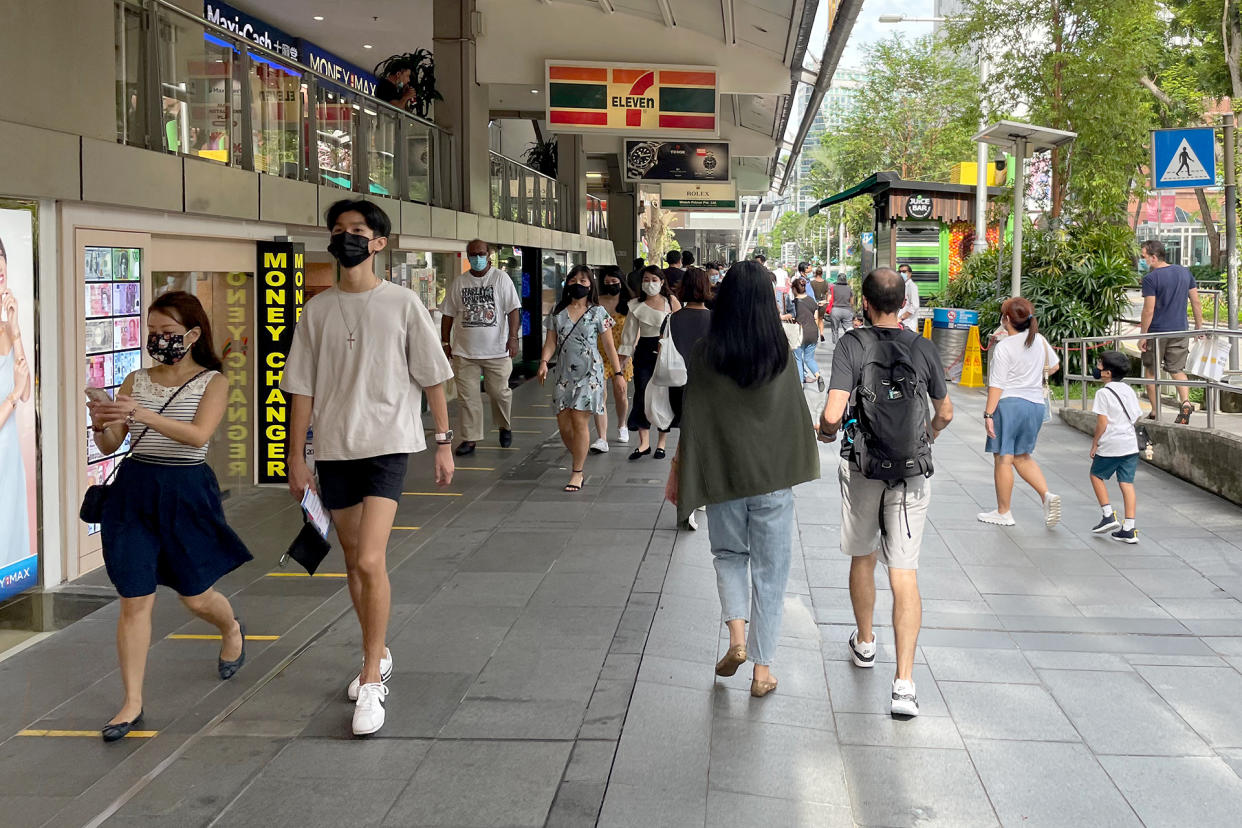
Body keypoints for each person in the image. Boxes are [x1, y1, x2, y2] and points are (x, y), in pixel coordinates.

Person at [283, 199, 455, 736]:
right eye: (338, 230)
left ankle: (371, 683)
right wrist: (296, 457)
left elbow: (432, 378)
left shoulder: (403, 304)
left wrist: (444, 441)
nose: (347, 237)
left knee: (373, 558)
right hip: (335, 449)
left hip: (387, 446)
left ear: (379, 242)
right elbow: (302, 389)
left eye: (357, 230)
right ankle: (376, 653)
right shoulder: (317, 310)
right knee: (354, 563)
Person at [86, 291, 251, 741]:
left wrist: (138, 412)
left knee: (195, 596)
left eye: (169, 333)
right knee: (135, 598)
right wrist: (103, 419)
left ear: (193, 335)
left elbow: (197, 436)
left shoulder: (213, 382)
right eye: (152, 333)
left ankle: (231, 627)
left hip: (185, 491)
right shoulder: (135, 380)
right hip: (134, 492)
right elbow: (109, 446)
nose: (158, 341)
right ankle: (131, 702)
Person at [666, 260, 818, 697]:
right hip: (771, 482)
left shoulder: (705, 355)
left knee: (730, 556)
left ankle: (736, 639)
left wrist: (680, 471)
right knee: (770, 574)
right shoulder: (780, 356)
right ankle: (761, 671)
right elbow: (793, 419)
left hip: (724, 479)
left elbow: (694, 419)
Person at [818, 267, 953, 718]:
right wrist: (928, 435)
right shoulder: (923, 346)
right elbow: (946, 412)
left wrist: (825, 431)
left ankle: (866, 643)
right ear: (904, 304)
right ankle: (905, 685)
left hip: (864, 466)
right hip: (912, 469)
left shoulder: (852, 344)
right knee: (905, 572)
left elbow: (833, 413)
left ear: (865, 302)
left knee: (863, 555)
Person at [978, 297, 1062, 528]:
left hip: (1009, 404)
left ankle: (1003, 512)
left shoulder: (1005, 346)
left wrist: (988, 414)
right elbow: (1054, 366)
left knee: (1003, 458)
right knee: (1022, 456)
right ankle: (1046, 495)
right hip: (1035, 404)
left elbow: (997, 384)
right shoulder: (1040, 340)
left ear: (1006, 320)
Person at [538, 265, 621, 492]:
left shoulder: (598, 312)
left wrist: (618, 373)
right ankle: (578, 454)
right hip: (564, 374)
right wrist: (544, 362)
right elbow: (551, 342)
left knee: (579, 419)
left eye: (584, 281)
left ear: (591, 285)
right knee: (564, 425)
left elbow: (609, 346)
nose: (578, 284)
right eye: (574, 280)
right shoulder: (557, 311)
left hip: (590, 373)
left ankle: (577, 472)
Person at [440, 239, 521, 456]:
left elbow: (514, 310)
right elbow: (448, 314)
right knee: (467, 398)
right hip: (464, 352)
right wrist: (445, 342)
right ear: (468, 256)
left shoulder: (501, 279)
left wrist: (513, 338)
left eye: (481, 253)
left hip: (497, 350)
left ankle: (505, 425)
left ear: (489, 255)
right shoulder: (460, 282)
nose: (477, 258)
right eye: (473, 254)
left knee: (499, 392)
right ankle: (470, 438)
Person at [667, 267, 714, 529]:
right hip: (709, 389)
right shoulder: (717, 320)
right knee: (703, 444)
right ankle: (694, 496)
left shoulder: (672, 320)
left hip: (680, 389)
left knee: (687, 443)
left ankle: (688, 496)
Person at [619, 266, 681, 460]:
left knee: (664, 396)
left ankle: (661, 443)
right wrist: (619, 365)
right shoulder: (635, 305)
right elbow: (628, 338)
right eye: (646, 279)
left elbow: (680, 327)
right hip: (644, 353)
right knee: (642, 395)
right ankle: (644, 443)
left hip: (667, 352)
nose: (650, 283)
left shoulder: (671, 302)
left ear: (662, 282)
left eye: (654, 279)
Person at [1139, 239, 1203, 424]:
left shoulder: (1151, 279)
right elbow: (1196, 302)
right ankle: (1185, 402)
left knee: (1151, 372)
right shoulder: (1184, 272)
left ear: (1154, 256)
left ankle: (1155, 412)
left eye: (1144, 257)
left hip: (1157, 333)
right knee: (1176, 369)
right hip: (1181, 330)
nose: (1143, 260)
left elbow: (1148, 310)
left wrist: (1142, 336)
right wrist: (1198, 327)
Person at [0, 236, 32, 573]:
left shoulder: (5, 327)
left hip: (10, 458)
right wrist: (14, 392)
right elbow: (17, 393)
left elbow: (27, 393)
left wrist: (15, 325)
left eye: (0, 255)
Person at [1088, 350, 1143, 544]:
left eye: (1100, 365)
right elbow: (1137, 415)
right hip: (1130, 445)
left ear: (1108, 373)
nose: (1097, 368)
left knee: (1096, 476)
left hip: (1111, 444)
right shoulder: (1128, 390)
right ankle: (1129, 528)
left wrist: (1095, 443)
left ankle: (1108, 515)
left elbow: (1102, 423)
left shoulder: (1103, 393)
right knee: (1126, 484)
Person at [592, 266, 632, 451]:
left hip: (622, 353)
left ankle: (622, 424)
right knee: (600, 394)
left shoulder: (630, 303)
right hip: (599, 353)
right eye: (607, 283)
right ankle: (602, 437)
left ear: (621, 282)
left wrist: (628, 353)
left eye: (614, 282)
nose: (610, 286)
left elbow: (635, 331)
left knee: (620, 393)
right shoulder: (597, 302)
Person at [781, 277, 824, 391]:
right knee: (809, 359)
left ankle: (800, 385)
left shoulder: (794, 303)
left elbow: (791, 315)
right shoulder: (811, 300)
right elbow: (815, 317)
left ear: (794, 289)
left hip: (799, 333)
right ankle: (818, 375)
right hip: (813, 332)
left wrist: (781, 317)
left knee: (798, 359)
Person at [827, 272, 856, 343]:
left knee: (835, 330)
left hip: (835, 310)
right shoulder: (849, 289)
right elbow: (852, 302)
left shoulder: (833, 288)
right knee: (849, 329)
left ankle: (836, 346)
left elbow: (829, 299)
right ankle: (849, 345)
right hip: (847, 310)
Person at [897, 264, 920, 332]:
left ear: (910, 273)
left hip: (908, 325)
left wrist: (901, 318)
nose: (901, 274)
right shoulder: (902, 286)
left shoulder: (912, 286)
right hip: (901, 324)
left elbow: (914, 306)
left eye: (904, 271)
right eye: (899, 272)